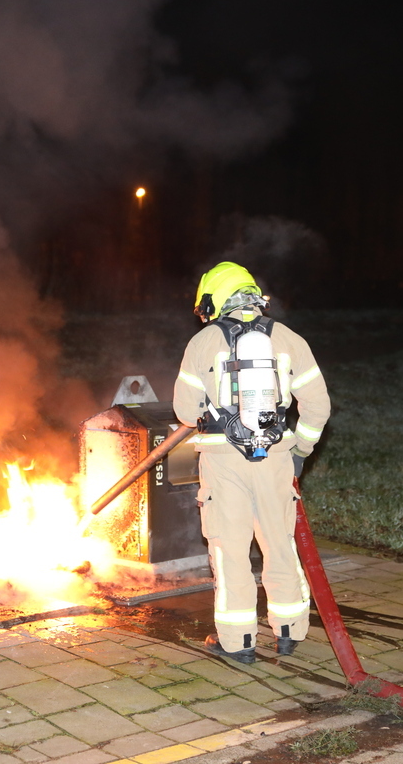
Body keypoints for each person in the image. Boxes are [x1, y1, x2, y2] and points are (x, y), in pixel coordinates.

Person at [173, 262, 330, 663]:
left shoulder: (203, 342)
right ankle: (289, 633)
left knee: (230, 551)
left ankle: (238, 643)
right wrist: (300, 453)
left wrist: (216, 412)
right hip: (275, 457)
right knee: (280, 543)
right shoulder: (289, 339)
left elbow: (185, 410)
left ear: (214, 300)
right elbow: (318, 406)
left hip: (224, 461)